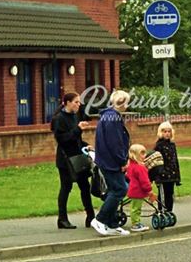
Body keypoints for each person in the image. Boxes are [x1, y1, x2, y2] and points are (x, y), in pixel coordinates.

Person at [50, 92, 95, 229]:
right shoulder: (59, 119)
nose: (78, 104)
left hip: (78, 157)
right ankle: (62, 219)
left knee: (85, 187)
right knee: (66, 187)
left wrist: (85, 144)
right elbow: (62, 139)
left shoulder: (75, 116)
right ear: (67, 103)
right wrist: (78, 129)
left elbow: (76, 139)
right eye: (76, 102)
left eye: (79, 102)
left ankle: (91, 216)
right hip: (65, 159)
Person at [92, 90, 131, 236]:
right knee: (120, 189)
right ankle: (100, 219)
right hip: (111, 162)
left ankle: (112, 223)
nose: (127, 105)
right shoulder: (112, 118)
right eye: (126, 102)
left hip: (107, 160)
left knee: (115, 190)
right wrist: (122, 160)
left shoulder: (109, 116)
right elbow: (115, 143)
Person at [151, 121, 182, 215]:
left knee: (170, 194)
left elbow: (175, 160)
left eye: (169, 131)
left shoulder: (172, 145)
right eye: (164, 131)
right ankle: (161, 211)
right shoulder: (159, 146)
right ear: (161, 132)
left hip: (171, 174)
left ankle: (169, 211)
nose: (167, 134)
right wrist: (157, 176)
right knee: (163, 194)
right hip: (162, 174)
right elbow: (156, 161)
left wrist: (177, 176)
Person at [125, 144, 154, 232]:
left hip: (133, 189)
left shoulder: (131, 166)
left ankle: (136, 223)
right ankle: (135, 224)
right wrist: (149, 190)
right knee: (136, 209)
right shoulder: (140, 168)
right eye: (142, 153)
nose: (144, 156)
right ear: (135, 155)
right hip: (138, 191)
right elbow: (144, 181)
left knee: (134, 207)